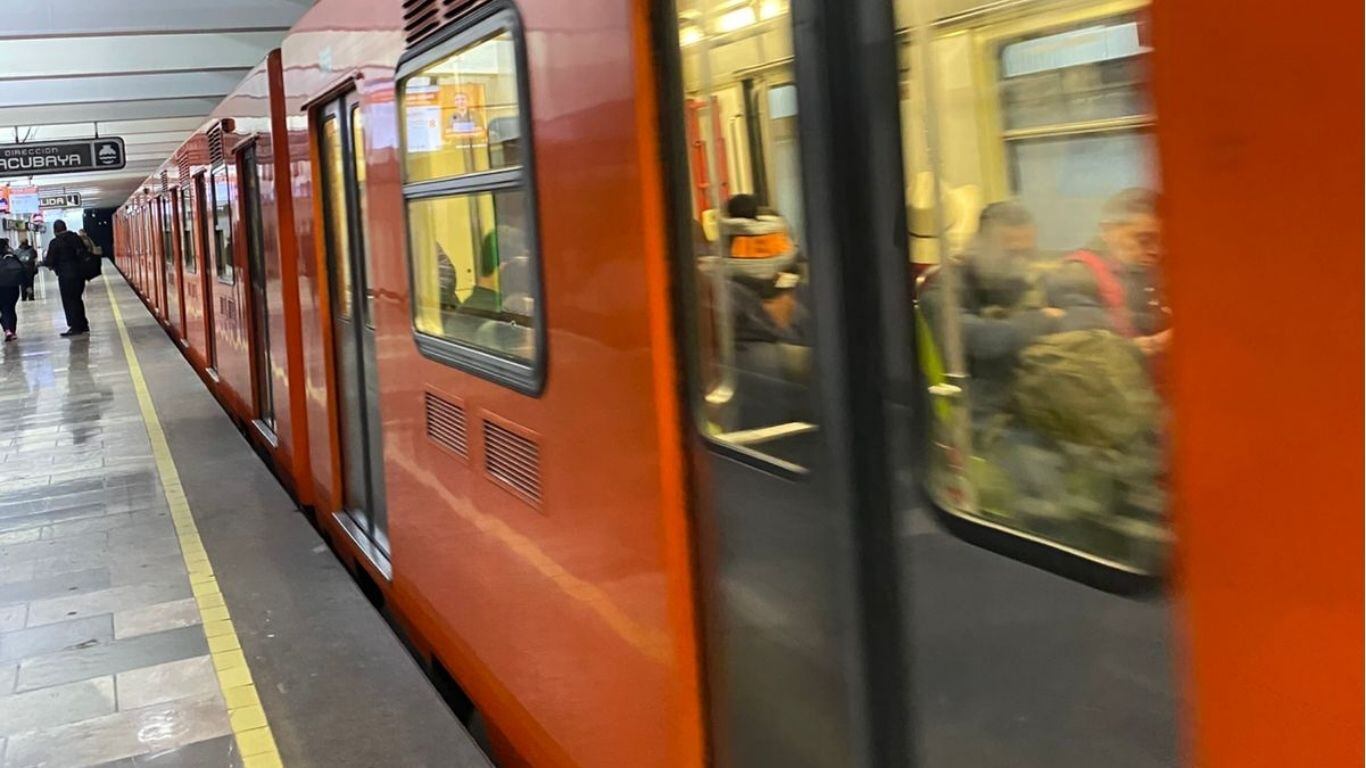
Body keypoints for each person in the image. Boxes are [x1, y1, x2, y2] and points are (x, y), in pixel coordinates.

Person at [1046, 188, 1170, 356]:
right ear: (1107, 231)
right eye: (1144, 240)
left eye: (1166, 241)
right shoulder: (1077, 275)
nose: (1156, 251)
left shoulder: (1161, 269)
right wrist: (1155, 344)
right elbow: (1091, 350)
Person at [719, 194, 798, 279]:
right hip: (776, 281)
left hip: (744, 285)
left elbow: (726, 264)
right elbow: (790, 253)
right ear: (756, 211)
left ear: (730, 214)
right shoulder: (778, 227)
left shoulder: (727, 233)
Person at [45, 220, 90, 336]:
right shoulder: (76, 238)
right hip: (79, 274)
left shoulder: (55, 242)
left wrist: (50, 265)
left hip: (65, 276)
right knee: (77, 299)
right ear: (65, 227)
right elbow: (84, 252)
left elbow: (50, 260)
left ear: (55, 230)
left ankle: (75, 326)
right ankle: (83, 324)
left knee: (69, 301)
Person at [0, 241, 25, 342]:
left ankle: (7, 330)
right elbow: (22, 270)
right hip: (12, 287)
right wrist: (26, 285)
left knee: (4, 310)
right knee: (10, 309)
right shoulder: (11, 256)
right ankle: (11, 331)